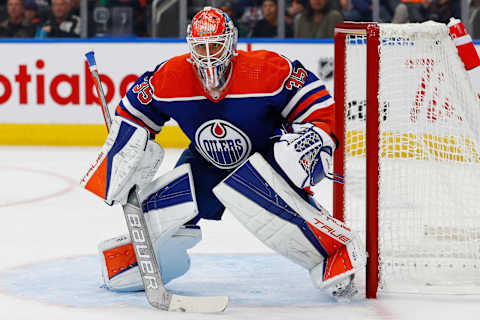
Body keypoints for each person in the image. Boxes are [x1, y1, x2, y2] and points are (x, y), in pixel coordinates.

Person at [81, 7, 366, 299]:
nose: (208, 54)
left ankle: (331, 252)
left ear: (231, 43)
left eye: (215, 45)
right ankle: (146, 264)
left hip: (266, 160)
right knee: (166, 208)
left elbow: (318, 106)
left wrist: (314, 139)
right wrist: (122, 158)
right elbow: (133, 113)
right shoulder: (171, 76)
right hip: (205, 161)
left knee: (264, 189)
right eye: (201, 47)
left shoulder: (265, 69)